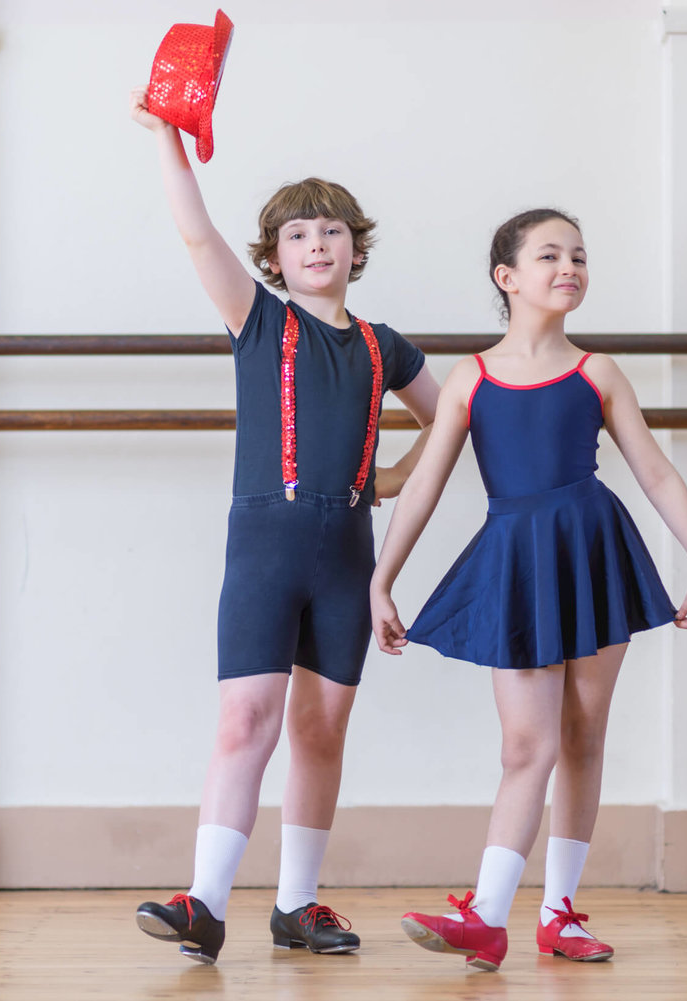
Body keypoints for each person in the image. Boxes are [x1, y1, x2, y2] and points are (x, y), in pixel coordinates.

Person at [128, 87, 442, 964]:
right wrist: (167, 139)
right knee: (245, 722)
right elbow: (196, 234)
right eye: (299, 235)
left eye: (332, 231)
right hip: (264, 545)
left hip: (346, 553)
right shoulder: (259, 320)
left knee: (319, 730)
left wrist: (389, 478)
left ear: (356, 247)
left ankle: (298, 904)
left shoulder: (386, 345)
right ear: (274, 256)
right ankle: (205, 900)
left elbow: (454, 419)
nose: (317, 244)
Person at [370, 208, 687, 970]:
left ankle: (558, 913)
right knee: (525, 744)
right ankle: (489, 912)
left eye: (580, 256)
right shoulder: (472, 376)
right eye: (550, 255)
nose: (570, 267)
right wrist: (382, 579)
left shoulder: (597, 371)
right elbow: (425, 483)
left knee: (582, 737)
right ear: (508, 277)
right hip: (518, 561)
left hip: (593, 550)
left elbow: (654, 468)